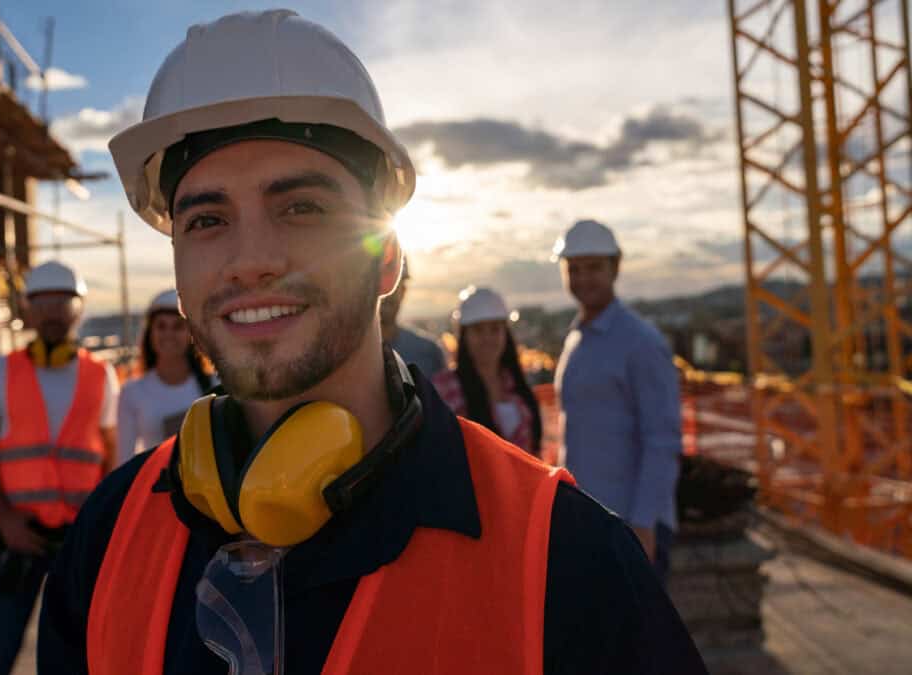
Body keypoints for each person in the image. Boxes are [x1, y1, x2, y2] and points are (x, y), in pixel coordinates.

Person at [39, 11, 705, 674]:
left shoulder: (569, 562)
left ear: (386, 258)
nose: (250, 260)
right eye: (207, 219)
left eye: (301, 207)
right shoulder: (107, 540)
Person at [0, 260, 119, 675]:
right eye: (43, 301)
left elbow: (110, 455)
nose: (52, 311)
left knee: (79, 657)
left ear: (78, 309)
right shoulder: (1, 372)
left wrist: (101, 526)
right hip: (19, 535)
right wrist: (5, 518)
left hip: (78, 539)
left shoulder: (101, 375)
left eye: (62, 302)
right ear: (28, 310)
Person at [552, 219, 683, 582]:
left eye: (594, 267)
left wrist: (643, 526)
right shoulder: (577, 338)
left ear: (616, 267)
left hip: (630, 526)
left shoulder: (640, 342)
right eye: (574, 269)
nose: (583, 278)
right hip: (590, 520)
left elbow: (663, 441)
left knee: (639, 639)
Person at [433, 286, 542, 454]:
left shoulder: (517, 385)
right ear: (464, 336)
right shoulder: (445, 388)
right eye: (478, 330)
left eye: (495, 329)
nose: (487, 338)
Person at [116, 289, 214, 464]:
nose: (168, 334)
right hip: (157, 490)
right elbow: (125, 461)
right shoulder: (132, 392)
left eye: (178, 326)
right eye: (161, 326)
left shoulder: (216, 387)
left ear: (192, 334)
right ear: (150, 333)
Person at [379, 259, 446, 377]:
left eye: (393, 284)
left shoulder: (429, 353)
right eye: (378, 282)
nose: (386, 293)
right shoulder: (343, 355)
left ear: (403, 291)